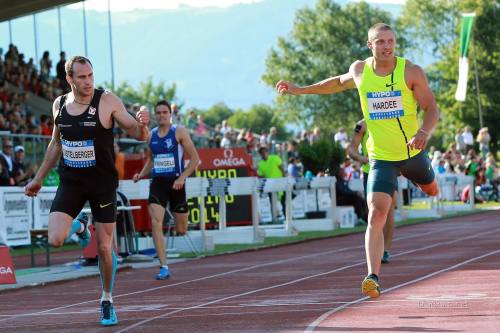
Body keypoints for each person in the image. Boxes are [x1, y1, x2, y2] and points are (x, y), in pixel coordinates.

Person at [276, 23, 439, 298]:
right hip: (381, 158)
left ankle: (429, 182)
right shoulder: (360, 70)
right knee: (376, 212)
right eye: (381, 42)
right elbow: (337, 83)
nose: (387, 46)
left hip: (412, 153)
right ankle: (372, 276)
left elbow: (431, 108)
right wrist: (299, 90)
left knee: (430, 187)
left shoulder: (410, 71)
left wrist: (424, 132)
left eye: (391, 41)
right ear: (370, 45)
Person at [24, 55, 149, 326]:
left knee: (104, 248)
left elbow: (138, 134)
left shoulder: (107, 101)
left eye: (91, 75)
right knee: (55, 238)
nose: (88, 81)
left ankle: (107, 299)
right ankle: (81, 228)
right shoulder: (60, 104)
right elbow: (56, 144)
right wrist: (38, 179)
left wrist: (144, 124)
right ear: (70, 79)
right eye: (82, 77)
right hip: (71, 182)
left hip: (102, 184)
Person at [133, 100, 199, 280]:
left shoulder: (179, 132)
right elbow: (152, 160)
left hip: (176, 183)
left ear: (170, 115)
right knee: (155, 222)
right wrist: (141, 174)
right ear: (155, 115)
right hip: (158, 183)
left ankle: (179, 220)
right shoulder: (151, 135)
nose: (162, 115)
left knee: (181, 229)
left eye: (165, 112)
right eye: (159, 112)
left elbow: (195, 159)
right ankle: (163, 266)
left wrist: (182, 178)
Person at [347, 119, 395, 263]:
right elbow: (351, 149)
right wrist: (362, 158)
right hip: (371, 172)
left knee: (389, 210)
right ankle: (376, 248)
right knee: (375, 211)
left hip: (390, 168)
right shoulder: (361, 125)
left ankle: (385, 250)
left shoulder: (390, 119)